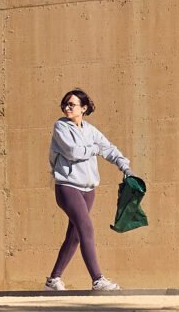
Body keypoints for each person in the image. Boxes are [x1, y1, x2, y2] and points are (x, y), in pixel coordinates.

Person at [45, 88, 132, 292]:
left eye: (72, 104)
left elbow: (108, 148)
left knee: (75, 234)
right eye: (65, 103)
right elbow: (72, 152)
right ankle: (98, 280)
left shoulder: (90, 130)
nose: (67, 107)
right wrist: (94, 149)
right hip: (67, 186)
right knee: (86, 228)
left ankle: (53, 280)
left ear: (83, 108)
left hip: (88, 189)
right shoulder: (60, 127)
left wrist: (125, 167)